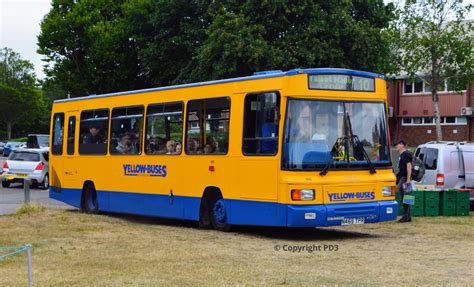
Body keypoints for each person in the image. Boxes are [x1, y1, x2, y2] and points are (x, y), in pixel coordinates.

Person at [395, 139, 413, 223]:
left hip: (405, 178)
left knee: (406, 197)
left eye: (398, 144)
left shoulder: (405, 154)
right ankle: (408, 216)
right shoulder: (403, 154)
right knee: (407, 197)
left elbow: (409, 166)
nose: (396, 146)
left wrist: (408, 179)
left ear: (402, 145)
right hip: (404, 178)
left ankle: (406, 217)